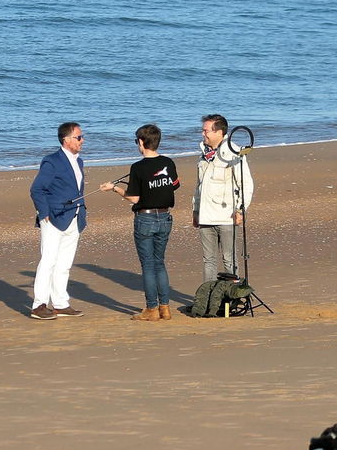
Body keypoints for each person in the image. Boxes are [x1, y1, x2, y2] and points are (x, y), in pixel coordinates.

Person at [100, 123, 179, 321]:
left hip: (147, 218)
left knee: (149, 265)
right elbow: (173, 186)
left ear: (142, 142)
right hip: (164, 217)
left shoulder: (139, 167)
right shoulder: (168, 163)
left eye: (137, 141)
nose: (137, 144)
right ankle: (165, 307)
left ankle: (152, 308)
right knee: (158, 263)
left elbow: (134, 198)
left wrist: (114, 188)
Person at [28, 122, 87, 320]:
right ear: (66, 139)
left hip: (75, 216)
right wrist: (44, 211)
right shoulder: (52, 161)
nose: (82, 140)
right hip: (53, 218)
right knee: (48, 262)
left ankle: (60, 304)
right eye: (78, 137)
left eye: (81, 137)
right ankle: (39, 305)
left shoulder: (78, 161)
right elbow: (37, 189)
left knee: (64, 264)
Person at [193, 114, 254, 284]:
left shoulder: (233, 152)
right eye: (202, 130)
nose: (202, 134)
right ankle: (209, 298)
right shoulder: (203, 154)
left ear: (219, 132)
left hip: (226, 216)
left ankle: (231, 298)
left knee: (230, 260)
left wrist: (241, 210)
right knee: (209, 261)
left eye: (206, 131)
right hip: (205, 217)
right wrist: (196, 210)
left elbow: (245, 184)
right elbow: (199, 187)